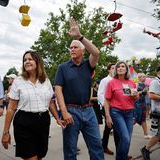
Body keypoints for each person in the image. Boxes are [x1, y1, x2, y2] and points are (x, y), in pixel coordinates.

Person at [54, 19, 104, 160]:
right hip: (71, 111)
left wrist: (79, 37)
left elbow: (96, 52)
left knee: (96, 147)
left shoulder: (88, 65)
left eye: (76, 47)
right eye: (71, 48)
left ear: (83, 51)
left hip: (89, 110)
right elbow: (58, 90)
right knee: (70, 151)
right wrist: (64, 112)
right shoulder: (62, 67)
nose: (72, 49)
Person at [1, 50, 64, 160]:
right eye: (25, 60)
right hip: (24, 123)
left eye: (30, 59)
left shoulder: (46, 81)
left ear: (37, 62)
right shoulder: (18, 81)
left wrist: (57, 118)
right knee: (31, 157)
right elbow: (11, 108)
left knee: (40, 156)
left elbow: (50, 102)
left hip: (43, 122)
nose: (27, 61)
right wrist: (5, 132)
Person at [104, 61, 138, 160]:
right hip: (116, 113)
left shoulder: (131, 83)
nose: (120, 68)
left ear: (126, 69)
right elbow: (106, 100)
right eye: (118, 67)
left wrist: (136, 95)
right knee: (125, 138)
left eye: (123, 66)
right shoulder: (111, 82)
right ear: (116, 70)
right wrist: (107, 116)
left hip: (129, 113)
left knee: (127, 140)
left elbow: (135, 98)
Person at [97, 63, 116, 155]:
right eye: (112, 68)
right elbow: (100, 93)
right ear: (108, 70)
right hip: (107, 107)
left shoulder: (117, 80)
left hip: (117, 107)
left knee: (111, 128)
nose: (114, 69)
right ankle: (104, 146)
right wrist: (105, 105)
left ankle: (104, 146)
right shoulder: (105, 80)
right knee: (112, 127)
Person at [133, 73, 151, 139]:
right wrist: (143, 91)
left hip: (143, 103)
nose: (144, 78)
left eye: (144, 77)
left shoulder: (145, 85)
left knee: (143, 118)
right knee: (136, 118)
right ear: (139, 78)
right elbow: (135, 93)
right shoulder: (137, 84)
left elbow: (147, 95)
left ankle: (146, 134)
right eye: (142, 77)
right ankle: (118, 129)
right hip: (137, 103)